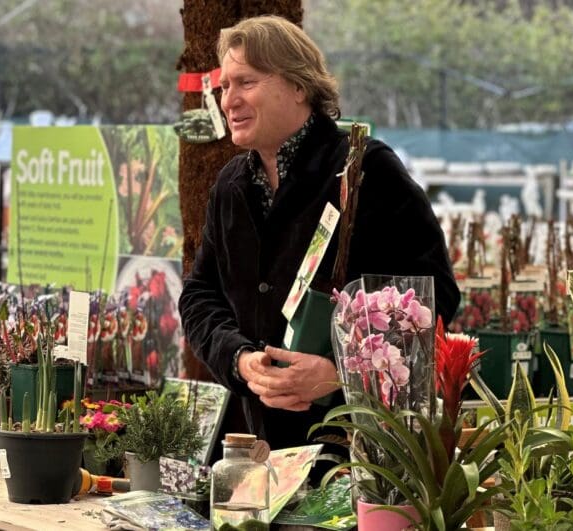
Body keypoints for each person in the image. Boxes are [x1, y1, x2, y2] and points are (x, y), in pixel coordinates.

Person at [179, 15, 459, 456]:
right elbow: (199, 294)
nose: (227, 99)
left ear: (298, 86)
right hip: (261, 453)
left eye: (245, 83)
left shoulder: (368, 172)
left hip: (360, 457)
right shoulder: (231, 186)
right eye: (223, 86)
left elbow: (435, 298)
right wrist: (240, 360)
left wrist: (340, 374)